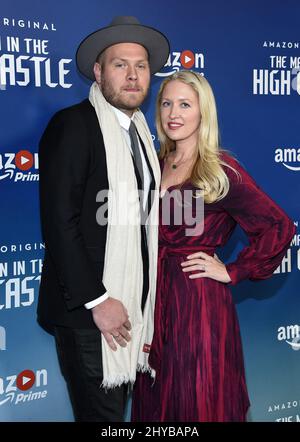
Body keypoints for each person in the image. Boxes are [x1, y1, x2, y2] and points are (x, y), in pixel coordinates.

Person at [131, 70, 295, 422]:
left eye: (185, 104)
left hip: (197, 303)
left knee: (196, 397)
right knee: (158, 401)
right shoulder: (154, 165)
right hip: (152, 303)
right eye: (166, 103)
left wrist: (233, 269)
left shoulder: (220, 169)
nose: (174, 113)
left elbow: (278, 226)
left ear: (203, 112)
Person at [37, 16, 170, 422]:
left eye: (141, 66)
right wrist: (98, 300)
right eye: (120, 64)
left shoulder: (142, 136)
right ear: (98, 72)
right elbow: (60, 223)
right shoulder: (73, 125)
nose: (132, 76)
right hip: (90, 314)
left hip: (130, 308)